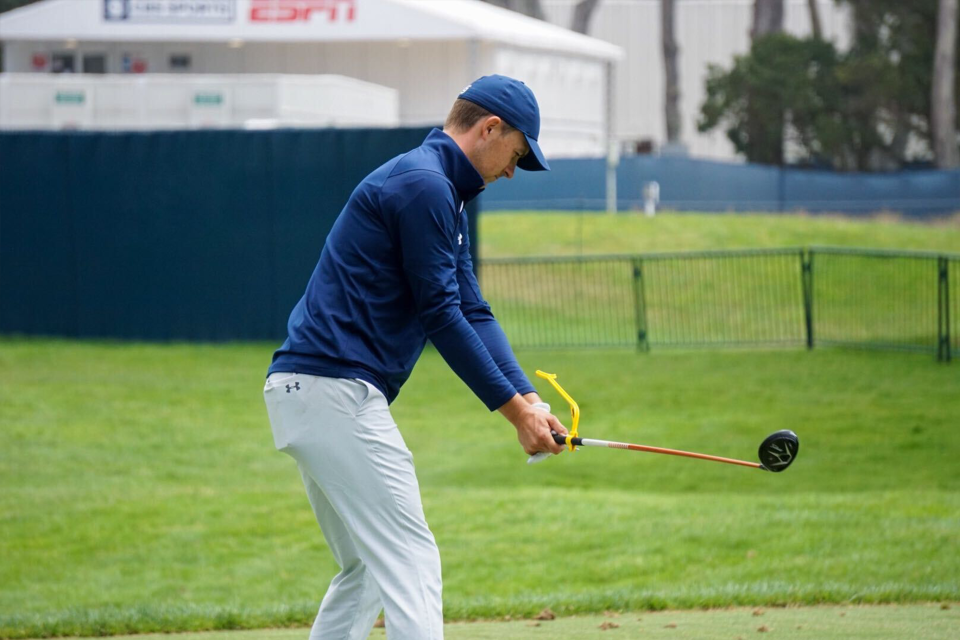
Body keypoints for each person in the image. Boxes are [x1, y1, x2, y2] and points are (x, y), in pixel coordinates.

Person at [262, 75, 567, 640]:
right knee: (411, 559)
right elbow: (441, 315)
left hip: (310, 391)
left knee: (366, 570)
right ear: (490, 128)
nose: (509, 172)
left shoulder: (439, 192)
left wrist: (527, 396)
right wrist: (513, 413)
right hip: (336, 392)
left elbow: (473, 309)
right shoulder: (424, 186)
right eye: (516, 156)